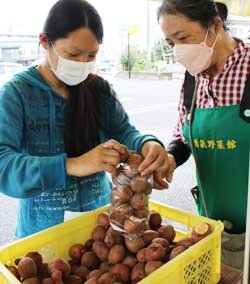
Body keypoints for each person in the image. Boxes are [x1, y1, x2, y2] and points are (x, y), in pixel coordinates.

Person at [0, 0, 171, 239]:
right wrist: (73, 165)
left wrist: (147, 144)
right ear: (44, 42)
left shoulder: (97, 88)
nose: (82, 64)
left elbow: (123, 132)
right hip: (42, 233)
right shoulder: (16, 94)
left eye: (91, 55)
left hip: (100, 226)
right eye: (72, 54)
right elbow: (3, 165)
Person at [157, 0, 250, 270]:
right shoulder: (191, 80)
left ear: (215, 25)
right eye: (171, 43)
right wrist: (169, 158)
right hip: (211, 225)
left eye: (184, 37)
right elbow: (183, 135)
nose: (178, 50)